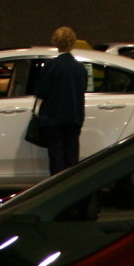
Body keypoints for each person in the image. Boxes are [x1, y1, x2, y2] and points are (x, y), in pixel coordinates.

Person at [33, 26, 85, 175]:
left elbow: (41, 92)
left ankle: (57, 188)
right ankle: (72, 189)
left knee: (56, 158)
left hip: (53, 119)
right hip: (74, 118)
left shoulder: (51, 66)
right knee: (71, 158)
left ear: (56, 42)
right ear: (72, 43)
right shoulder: (79, 68)